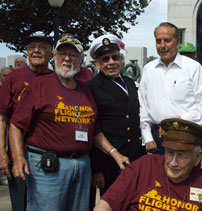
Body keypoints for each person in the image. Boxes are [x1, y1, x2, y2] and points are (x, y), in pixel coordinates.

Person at [8, 35, 129, 211]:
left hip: (81, 165)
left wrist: (114, 153)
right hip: (48, 166)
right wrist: (18, 158)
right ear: (54, 57)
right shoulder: (39, 86)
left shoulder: (86, 90)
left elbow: (95, 132)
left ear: (80, 61)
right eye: (62, 54)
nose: (67, 59)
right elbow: (16, 125)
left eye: (73, 55)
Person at [94, 118, 202, 211]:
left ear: (197, 158)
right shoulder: (144, 166)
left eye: (181, 156)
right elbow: (106, 204)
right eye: (170, 153)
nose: (173, 162)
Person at [87, 34, 145, 209]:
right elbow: (93, 129)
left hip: (135, 157)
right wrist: (96, 169)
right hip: (108, 163)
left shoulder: (130, 83)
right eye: (105, 59)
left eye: (115, 57)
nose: (111, 62)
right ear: (97, 63)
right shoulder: (92, 88)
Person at [0, 31, 54, 211]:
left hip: (48, 156)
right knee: (20, 203)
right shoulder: (14, 78)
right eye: (32, 47)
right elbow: (2, 117)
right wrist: (2, 152)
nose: (36, 51)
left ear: (51, 52)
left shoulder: (56, 79)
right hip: (19, 154)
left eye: (42, 47)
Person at [139, 22, 202, 154]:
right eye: (158, 41)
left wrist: (175, 124)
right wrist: (147, 137)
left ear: (177, 41)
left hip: (186, 135)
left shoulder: (193, 68)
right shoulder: (148, 69)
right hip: (156, 140)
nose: (162, 46)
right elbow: (143, 106)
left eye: (167, 40)